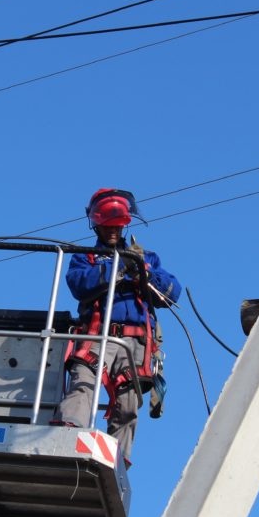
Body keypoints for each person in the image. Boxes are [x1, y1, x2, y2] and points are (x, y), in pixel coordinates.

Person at [54, 188, 180, 465]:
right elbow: (79, 284)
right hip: (97, 337)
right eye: (107, 225)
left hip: (135, 344)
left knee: (127, 404)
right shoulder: (85, 257)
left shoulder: (146, 257)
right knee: (83, 385)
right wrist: (118, 268)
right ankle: (67, 439)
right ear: (97, 225)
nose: (112, 230)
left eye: (117, 225)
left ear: (125, 224)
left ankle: (116, 464)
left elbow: (172, 293)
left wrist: (144, 272)